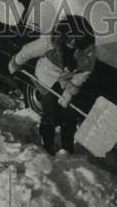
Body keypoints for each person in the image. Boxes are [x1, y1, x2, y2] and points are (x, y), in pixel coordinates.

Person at [8, 15, 96, 155]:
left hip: (68, 81)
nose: (73, 42)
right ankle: (46, 145)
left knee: (70, 114)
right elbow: (27, 51)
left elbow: (85, 71)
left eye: (77, 39)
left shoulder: (87, 50)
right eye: (70, 37)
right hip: (47, 78)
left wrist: (69, 91)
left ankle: (67, 148)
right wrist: (16, 63)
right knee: (50, 111)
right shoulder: (49, 42)